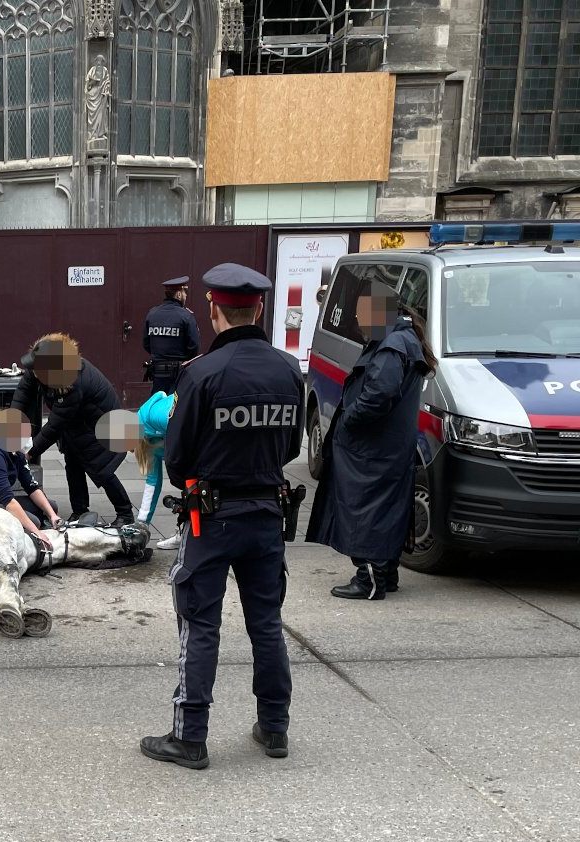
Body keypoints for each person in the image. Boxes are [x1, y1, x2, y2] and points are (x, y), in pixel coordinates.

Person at [139, 263, 304, 771]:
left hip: (210, 519)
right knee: (267, 624)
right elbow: (292, 446)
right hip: (266, 515)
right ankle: (274, 726)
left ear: (213, 310)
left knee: (200, 624)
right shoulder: (287, 369)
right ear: (259, 308)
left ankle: (190, 737)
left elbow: (178, 459)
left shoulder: (201, 374)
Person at [306, 281, 436, 599]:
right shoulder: (400, 339)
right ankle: (385, 575)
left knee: (367, 511)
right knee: (383, 509)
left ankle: (370, 579)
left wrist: (349, 420)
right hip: (385, 448)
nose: (358, 318)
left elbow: (379, 393)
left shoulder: (393, 344)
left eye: (361, 312)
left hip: (374, 449)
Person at [13, 333, 135, 527]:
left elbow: (54, 426)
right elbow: (24, 389)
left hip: (101, 426)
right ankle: (80, 511)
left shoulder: (73, 384)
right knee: (73, 466)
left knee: (102, 470)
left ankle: (126, 514)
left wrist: (30, 452)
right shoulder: (40, 367)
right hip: (77, 424)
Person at [0, 408, 61, 535]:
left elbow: (32, 487)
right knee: (33, 523)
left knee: (51, 507)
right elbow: (8, 500)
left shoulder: (15, 452)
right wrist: (37, 532)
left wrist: (53, 515)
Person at [133, 389, 181, 549]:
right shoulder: (148, 440)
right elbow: (153, 481)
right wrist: (142, 523)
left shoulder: (153, 415)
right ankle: (186, 531)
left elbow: (184, 422)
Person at [142, 276, 200, 395]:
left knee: (158, 401)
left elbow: (146, 343)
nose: (186, 296)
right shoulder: (186, 316)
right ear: (178, 294)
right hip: (179, 373)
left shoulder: (152, 314)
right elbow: (194, 346)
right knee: (177, 403)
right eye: (184, 292)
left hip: (158, 372)